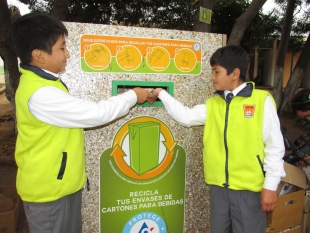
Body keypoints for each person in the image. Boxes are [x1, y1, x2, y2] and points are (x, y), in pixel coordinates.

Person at [9, 12, 149, 233]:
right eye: (62, 47)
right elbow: (96, 114)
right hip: (49, 194)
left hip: (62, 186)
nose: (67, 53)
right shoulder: (41, 93)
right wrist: (133, 96)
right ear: (39, 55)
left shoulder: (44, 83)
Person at [147, 45, 286, 233]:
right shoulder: (213, 104)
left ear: (235, 73)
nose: (212, 77)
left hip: (249, 190)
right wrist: (161, 94)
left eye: (216, 72)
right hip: (218, 189)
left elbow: (274, 146)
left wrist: (270, 186)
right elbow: (186, 117)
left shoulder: (261, 100)